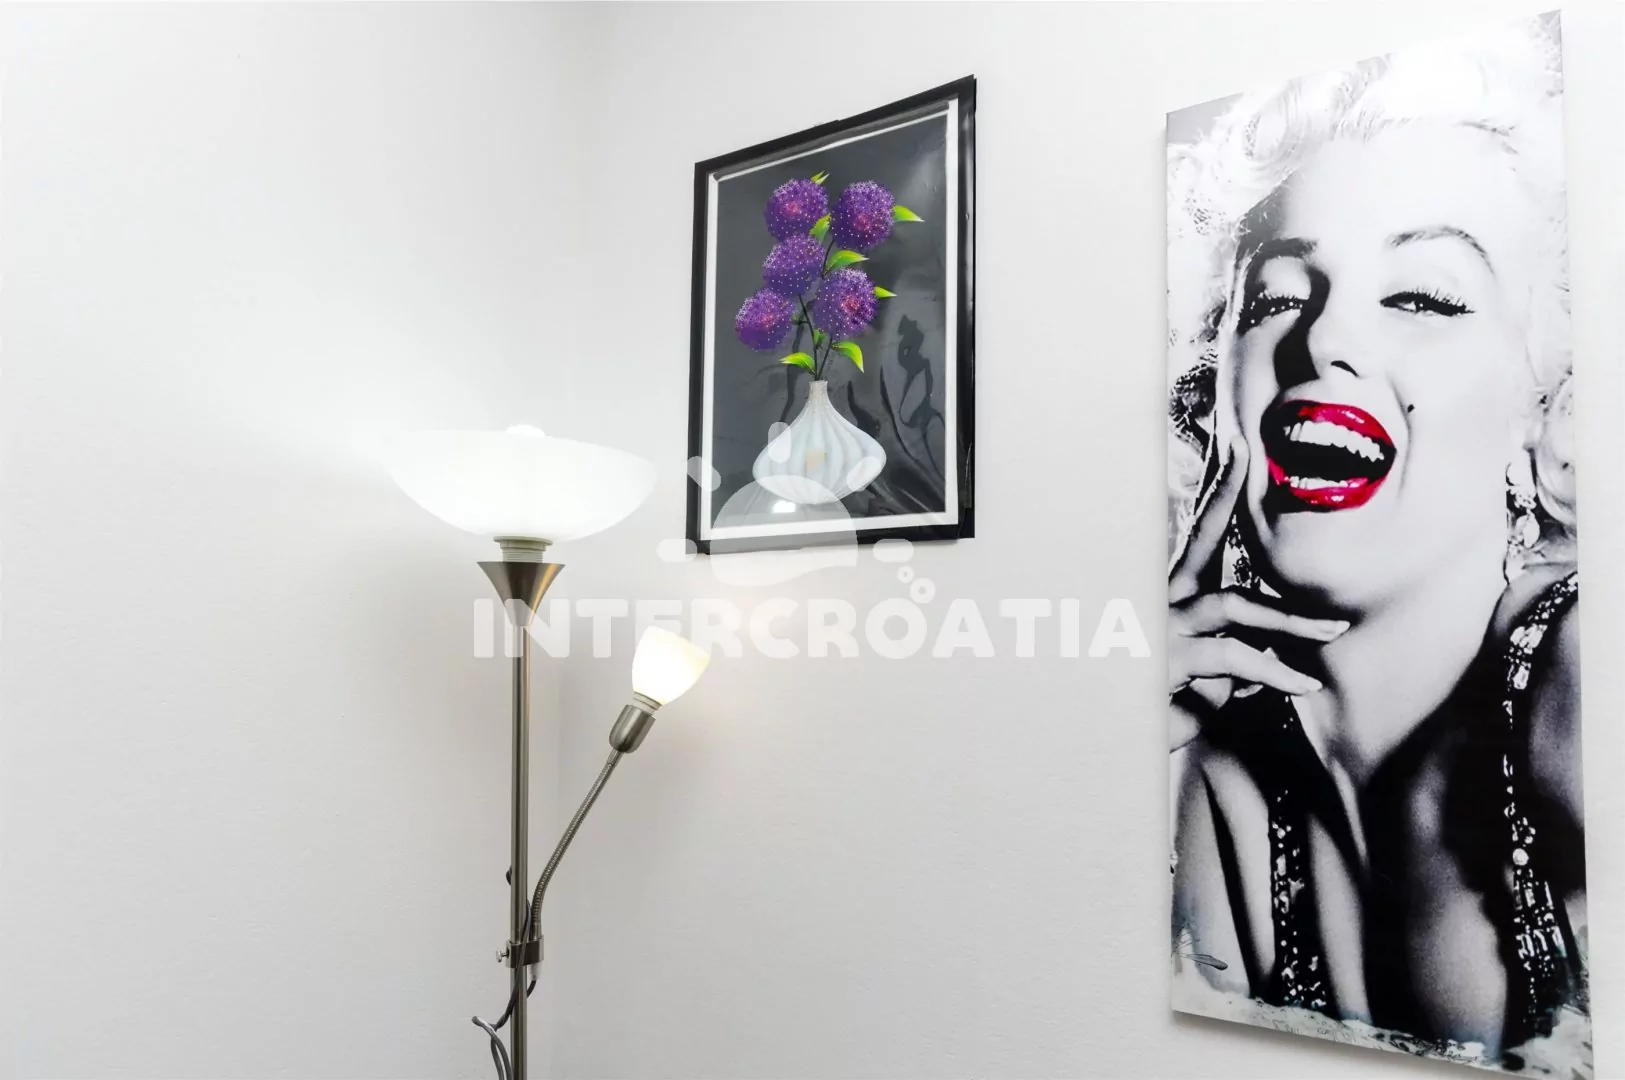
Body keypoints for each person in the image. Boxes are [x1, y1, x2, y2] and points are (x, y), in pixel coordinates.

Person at [1164, 15, 1584, 1065]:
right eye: (1276, 296)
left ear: (1541, 404)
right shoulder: (1223, 773)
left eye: (1424, 295)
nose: (1324, 339)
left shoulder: (1577, 674)